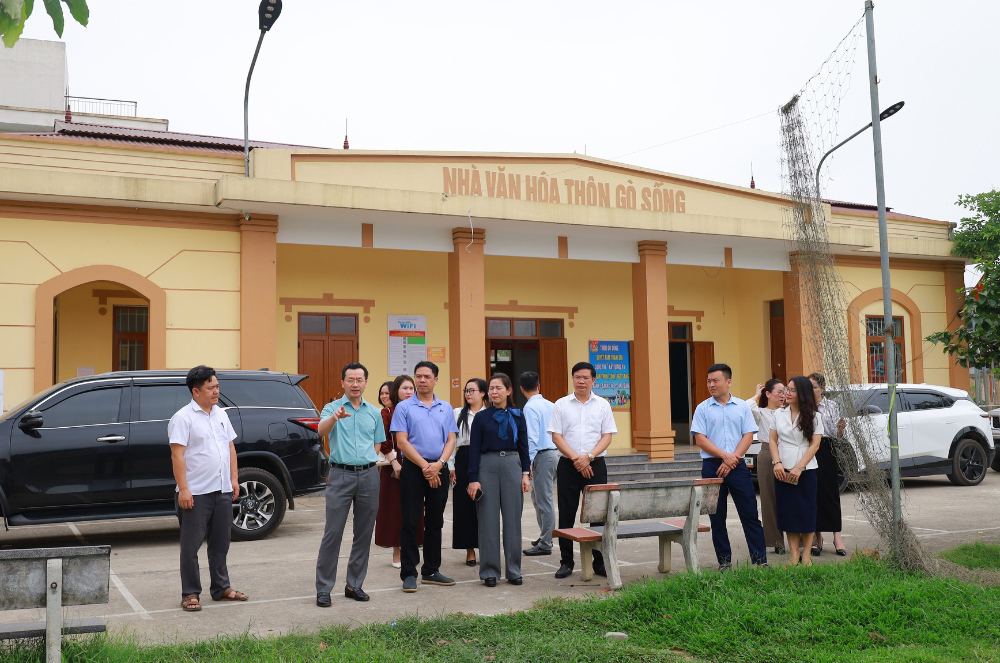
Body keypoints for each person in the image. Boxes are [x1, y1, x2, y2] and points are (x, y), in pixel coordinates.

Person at [168, 365, 247, 612]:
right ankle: (190, 593)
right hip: (196, 493)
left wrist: (234, 479)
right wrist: (184, 489)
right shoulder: (183, 418)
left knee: (220, 544)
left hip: (222, 490)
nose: (216, 392)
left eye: (217, 386)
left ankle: (221, 587)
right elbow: (177, 455)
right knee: (191, 547)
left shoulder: (221, 414)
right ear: (196, 391)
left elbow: (230, 447)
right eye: (210, 388)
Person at [314, 362, 384, 606]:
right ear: (342, 382)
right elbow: (321, 431)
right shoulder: (332, 408)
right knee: (333, 533)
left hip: (369, 476)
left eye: (359, 380)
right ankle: (324, 588)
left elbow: (377, 443)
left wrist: (367, 458)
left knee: (363, 534)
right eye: (350, 380)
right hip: (340, 475)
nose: (355, 384)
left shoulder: (374, 412)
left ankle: (354, 585)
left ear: (366, 383)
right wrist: (335, 417)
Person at [390, 360, 459, 592]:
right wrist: (425, 467)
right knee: (410, 520)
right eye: (418, 376)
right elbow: (402, 442)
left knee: (435, 521)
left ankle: (431, 570)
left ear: (436, 380)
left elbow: (451, 439)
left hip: (439, 468)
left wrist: (438, 465)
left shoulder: (445, 407)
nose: (422, 380)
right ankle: (409, 573)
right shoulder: (404, 407)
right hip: (413, 468)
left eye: (427, 376)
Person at [692, 363, 768, 569]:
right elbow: (700, 439)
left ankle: (760, 560)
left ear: (728, 382)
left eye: (715, 380)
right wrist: (725, 456)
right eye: (708, 381)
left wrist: (732, 458)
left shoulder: (742, 406)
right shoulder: (702, 408)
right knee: (717, 518)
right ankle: (724, 562)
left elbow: (748, 435)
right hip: (712, 466)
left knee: (750, 514)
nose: (711, 385)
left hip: (738, 465)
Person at [548, 361, 617, 579]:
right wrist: (577, 459)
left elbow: (607, 436)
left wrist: (588, 457)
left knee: (598, 515)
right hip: (568, 465)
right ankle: (566, 562)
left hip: (595, 464)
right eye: (577, 377)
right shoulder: (561, 404)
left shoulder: (603, 405)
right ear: (573, 379)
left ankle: (599, 562)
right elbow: (556, 436)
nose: (581, 381)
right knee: (566, 514)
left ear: (593, 380)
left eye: (585, 377)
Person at [467, 374, 531, 586]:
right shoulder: (481, 417)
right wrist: (473, 478)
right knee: (488, 520)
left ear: (509, 390)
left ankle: (514, 570)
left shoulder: (518, 415)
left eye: (498, 388)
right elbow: (474, 449)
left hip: (512, 465)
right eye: (491, 388)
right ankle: (489, 571)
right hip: (487, 466)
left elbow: (524, 446)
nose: (494, 392)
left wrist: (525, 474)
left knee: (513, 520)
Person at [769, 376, 823, 566]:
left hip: (806, 469)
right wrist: (777, 463)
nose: (787, 393)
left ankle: (806, 555)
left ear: (803, 393)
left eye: (792, 390)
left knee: (806, 512)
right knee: (788, 512)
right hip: (782, 469)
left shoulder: (815, 416)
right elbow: (773, 440)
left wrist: (800, 467)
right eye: (787, 389)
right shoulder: (778, 414)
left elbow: (815, 445)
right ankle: (793, 556)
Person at [374, 375, 420, 567]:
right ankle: (397, 552)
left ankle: (412, 549)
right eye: (404, 388)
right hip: (395, 465)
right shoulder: (387, 413)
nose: (408, 392)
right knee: (394, 509)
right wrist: (394, 462)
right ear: (397, 391)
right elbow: (383, 440)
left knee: (414, 507)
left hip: (417, 462)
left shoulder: (418, 409)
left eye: (411, 388)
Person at [519, 371, 557, 557]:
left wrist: (528, 463)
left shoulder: (529, 407)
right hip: (553, 453)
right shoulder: (551, 405)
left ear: (521, 389)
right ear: (539, 386)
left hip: (542, 455)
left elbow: (532, 438)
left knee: (544, 500)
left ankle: (546, 542)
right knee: (538, 498)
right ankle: (545, 536)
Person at [450, 378, 488, 566]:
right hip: (463, 458)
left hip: (486, 459)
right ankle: (470, 550)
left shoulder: (489, 413)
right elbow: (450, 440)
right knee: (465, 505)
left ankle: (487, 548)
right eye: (466, 390)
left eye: (472, 390)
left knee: (486, 504)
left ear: (483, 393)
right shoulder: (457, 413)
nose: (468, 394)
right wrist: (450, 465)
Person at [809, 372, 847, 557]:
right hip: (808, 450)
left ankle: (837, 537)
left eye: (814, 387)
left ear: (822, 389)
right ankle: (817, 538)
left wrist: (840, 429)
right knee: (813, 493)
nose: (811, 390)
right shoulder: (803, 405)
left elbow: (835, 434)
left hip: (826, 449)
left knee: (831, 493)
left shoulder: (831, 406)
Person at [748, 380, 787, 555]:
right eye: (779, 391)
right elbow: (746, 407)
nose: (783, 395)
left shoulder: (789, 411)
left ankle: (800, 539)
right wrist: (757, 394)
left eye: (785, 391)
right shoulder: (761, 413)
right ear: (768, 394)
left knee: (792, 498)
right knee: (769, 499)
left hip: (788, 452)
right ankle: (776, 541)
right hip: (767, 453)